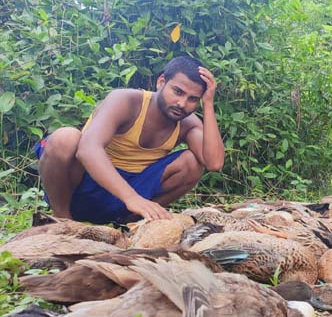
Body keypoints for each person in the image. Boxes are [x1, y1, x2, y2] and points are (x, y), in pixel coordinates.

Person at [36, 55, 225, 224]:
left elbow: (214, 163)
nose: (182, 104)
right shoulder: (126, 101)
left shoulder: (188, 123)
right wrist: (131, 198)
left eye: (193, 99)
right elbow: (88, 149)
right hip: (83, 186)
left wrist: (208, 104)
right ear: (161, 82)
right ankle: (62, 220)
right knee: (64, 138)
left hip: (127, 198)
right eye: (177, 91)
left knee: (193, 162)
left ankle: (128, 222)